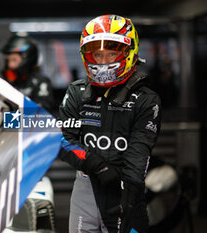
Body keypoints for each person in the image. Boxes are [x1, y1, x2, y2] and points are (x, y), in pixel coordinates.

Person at [58, 15, 162, 233]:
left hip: (125, 187)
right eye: (97, 54)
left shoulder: (146, 99)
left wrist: (130, 192)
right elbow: (62, 139)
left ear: (128, 52)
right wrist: (96, 164)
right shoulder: (77, 92)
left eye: (111, 53)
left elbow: (139, 152)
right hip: (86, 186)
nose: (103, 61)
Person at [0, 34, 54, 113]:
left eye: (14, 60)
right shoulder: (5, 82)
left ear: (27, 59)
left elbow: (41, 111)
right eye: (8, 60)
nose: (10, 65)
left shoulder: (41, 82)